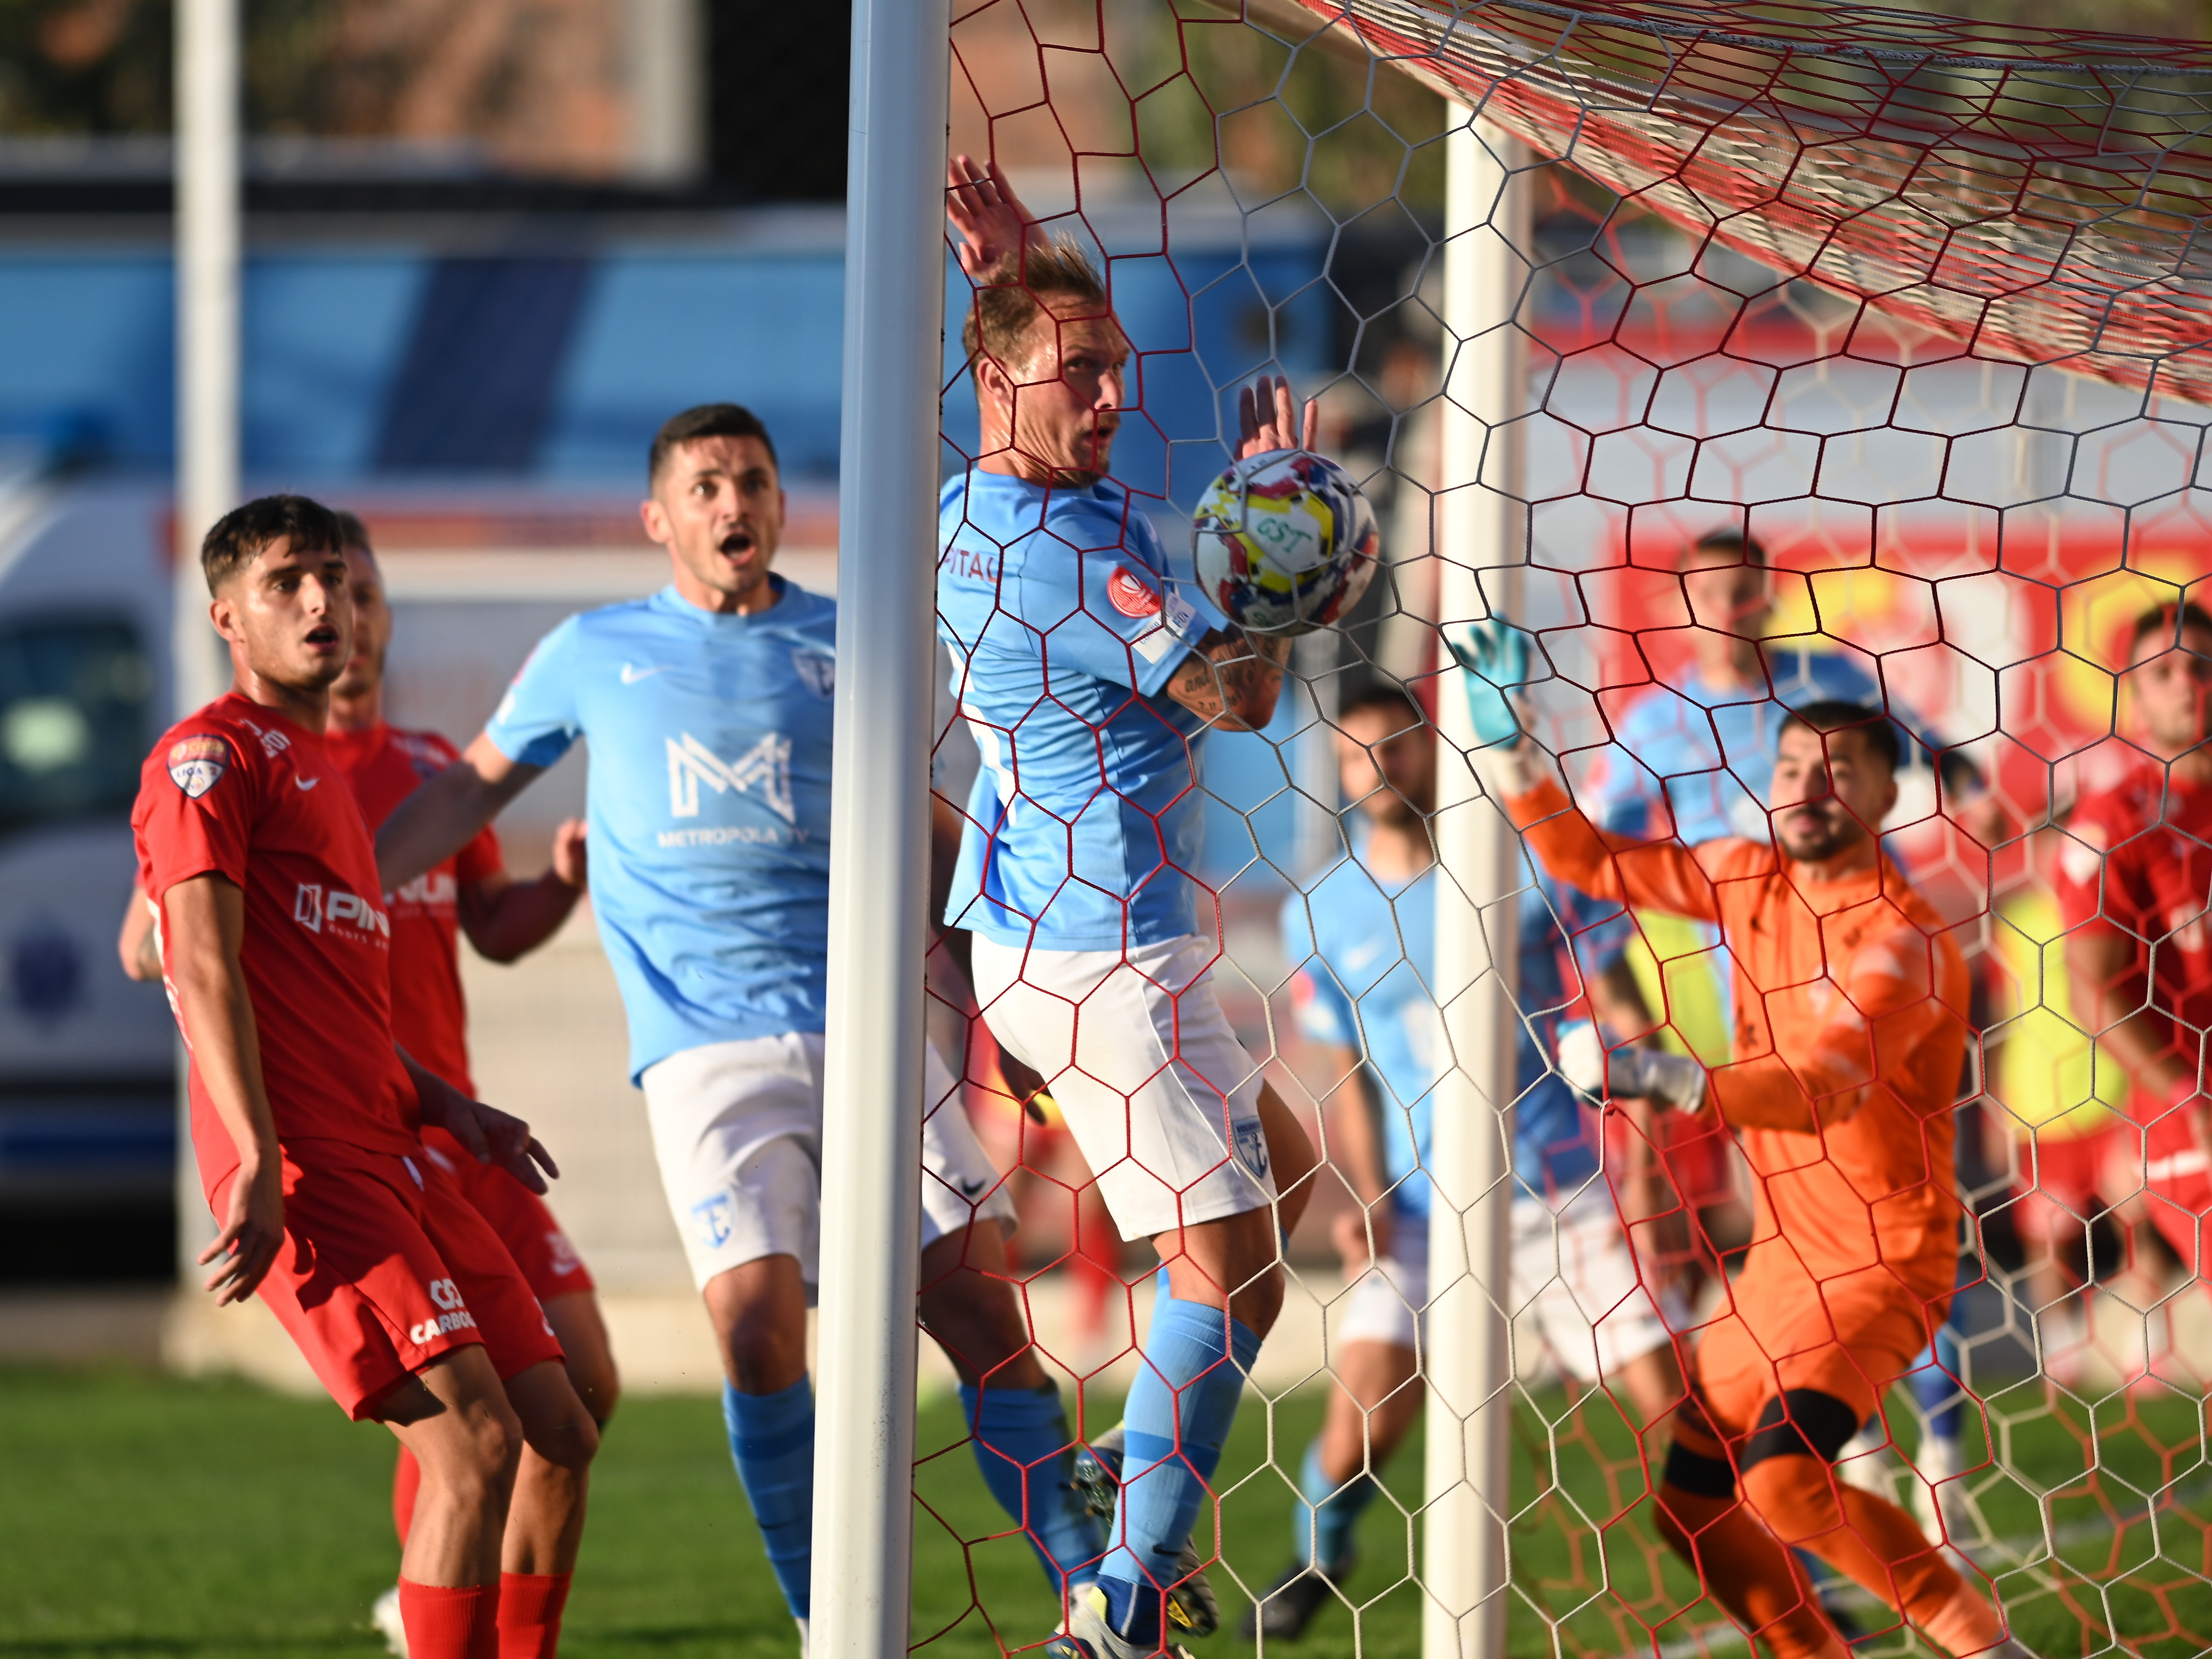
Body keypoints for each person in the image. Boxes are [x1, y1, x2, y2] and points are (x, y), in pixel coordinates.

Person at [373, 403, 1102, 1652]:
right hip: (706, 1045)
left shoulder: (846, 642)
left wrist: (1005, 1003)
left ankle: (1100, 1602)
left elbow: (930, 829)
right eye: (705, 486)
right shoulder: (593, 652)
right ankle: (832, 1621)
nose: (732, 505)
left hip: (873, 1026)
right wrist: (314, 890)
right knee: (756, 1323)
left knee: (976, 1312)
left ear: (777, 507)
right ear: (659, 517)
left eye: (752, 482)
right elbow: (465, 789)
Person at [1463, 645, 2028, 1659]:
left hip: (1884, 1261)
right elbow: (1589, 859)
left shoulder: (1902, 937)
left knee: (1784, 1480)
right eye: (1791, 771)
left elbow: (1824, 1086)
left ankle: (1984, 1646)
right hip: (1775, 1271)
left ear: (1888, 792)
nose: (1808, 791)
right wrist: (1514, 752)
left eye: (1838, 771)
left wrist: (1663, 1078)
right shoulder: (1746, 876)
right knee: (1691, 1510)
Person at [940, 155, 1321, 1659]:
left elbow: (1026, 365)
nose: (1109, 400)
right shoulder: (1059, 552)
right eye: (1080, 375)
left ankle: (1128, 1500)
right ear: (997, 379)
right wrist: (1290, 563)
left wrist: (1023, 270)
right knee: (1220, 1276)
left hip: (1061, 932)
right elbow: (1233, 695)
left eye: (1116, 371)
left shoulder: (994, 497)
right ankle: (1116, 1606)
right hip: (1106, 949)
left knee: (1262, 1246)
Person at [132, 494, 599, 1659]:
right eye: (289, 581)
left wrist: (447, 1101)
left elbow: (333, 998)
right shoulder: (210, 754)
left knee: (562, 1424)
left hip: (403, 1147)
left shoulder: (335, 781)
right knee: (475, 1446)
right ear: (225, 615)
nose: (321, 601)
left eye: (335, 579)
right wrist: (252, 1157)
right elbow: (194, 960)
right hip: (314, 1164)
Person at [1248, 684, 1686, 1641]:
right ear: (1337, 769)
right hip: (1418, 1203)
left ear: (1430, 752)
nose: (1379, 767)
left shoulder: (1525, 867)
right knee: (1361, 1420)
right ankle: (1318, 1558)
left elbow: (1626, 1014)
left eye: (1397, 746)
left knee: (1676, 1412)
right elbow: (1347, 1070)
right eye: (1358, 753)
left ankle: (1787, 1576)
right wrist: (1364, 1195)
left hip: (1558, 1188)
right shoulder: (1319, 909)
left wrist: (1647, 1165)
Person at [1577, 527, 1994, 1500]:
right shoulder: (1652, 725)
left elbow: (1923, 744)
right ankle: (1851, 1435)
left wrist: (1971, 785)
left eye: (1747, 590)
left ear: (1768, 595)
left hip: (1864, 971)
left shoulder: (1822, 679)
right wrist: (1611, 978)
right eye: (1714, 592)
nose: (1733, 608)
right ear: (1687, 603)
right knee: (1798, 1219)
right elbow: (1601, 859)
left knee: (1908, 1188)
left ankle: (1941, 1448)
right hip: (1749, 995)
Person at [2059, 600, 2212, 1365]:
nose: (2187, 684)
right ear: (2134, 697)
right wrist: (2181, 1093)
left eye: (2201, 667)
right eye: (2163, 672)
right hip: (2193, 1118)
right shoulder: (2115, 820)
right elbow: (2091, 989)